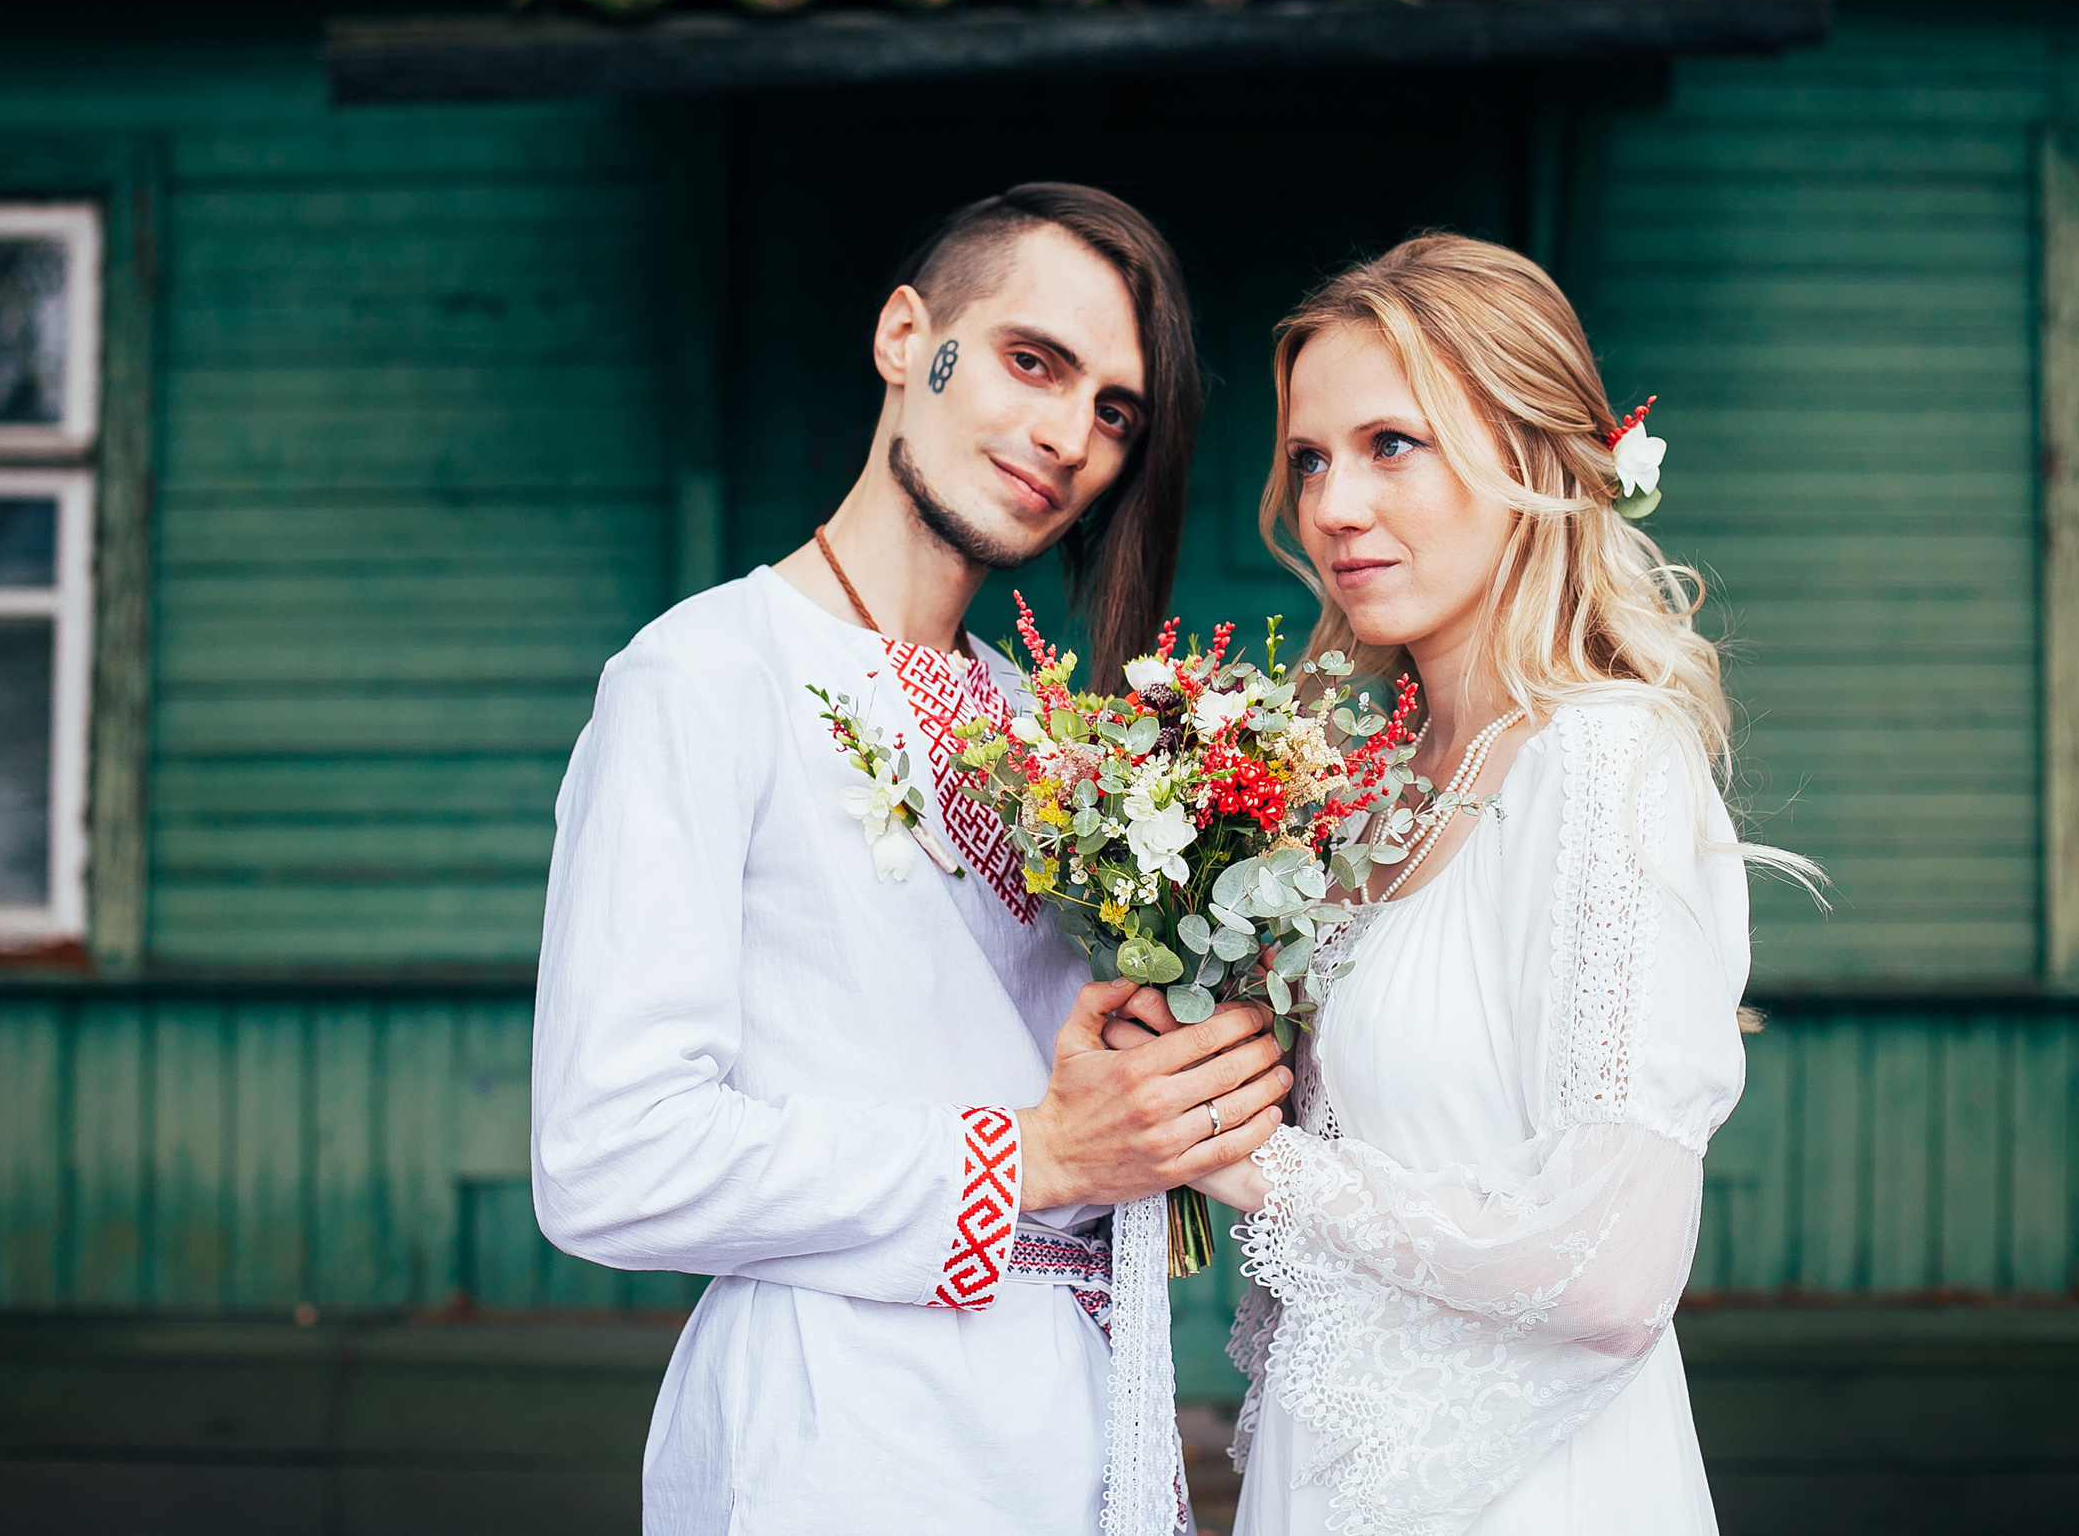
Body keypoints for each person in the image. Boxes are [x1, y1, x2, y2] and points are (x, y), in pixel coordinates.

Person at [529, 182, 1292, 1536]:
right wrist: (1035, 1160)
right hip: (841, 1438)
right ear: (903, 338)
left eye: (1116, 413)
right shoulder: (704, 678)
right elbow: (610, 1155)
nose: (1068, 436)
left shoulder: (1039, 724)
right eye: (1032, 361)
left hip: (1087, 1429)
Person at [1194, 234, 1816, 1535]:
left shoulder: (1599, 763)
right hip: (1339, 1474)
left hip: (1529, 1491)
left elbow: (1610, 1267)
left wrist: (1259, 1167)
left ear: (1529, 458)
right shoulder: (1376, 791)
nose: (1332, 505)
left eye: (1391, 445)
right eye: (1309, 457)